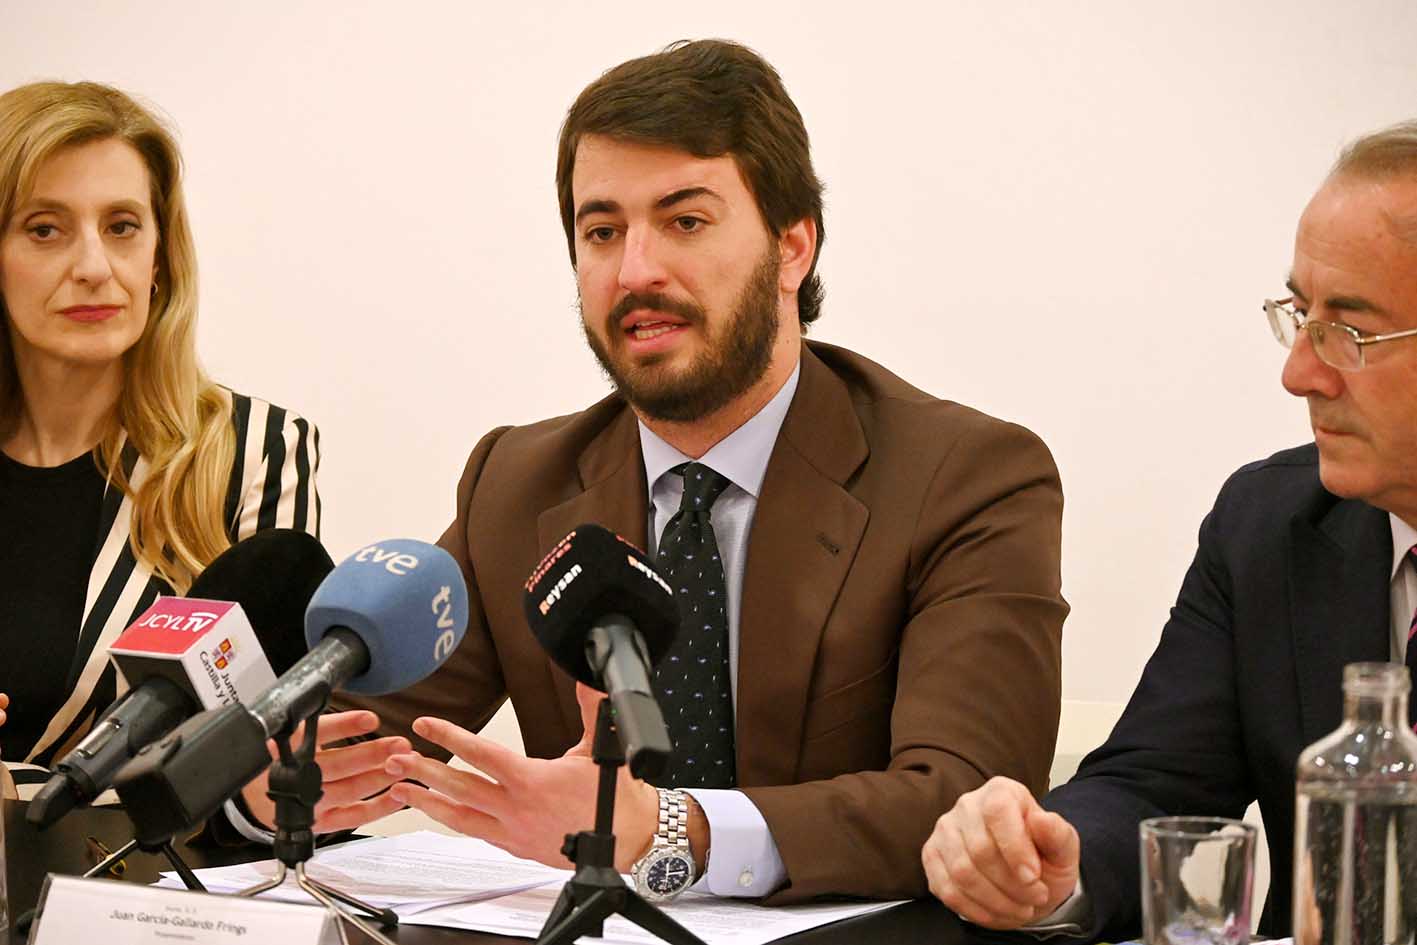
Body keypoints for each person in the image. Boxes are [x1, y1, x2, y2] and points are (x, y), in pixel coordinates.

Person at [338, 39, 1067, 903]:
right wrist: (256, 781)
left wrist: (667, 828)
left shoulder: (966, 476)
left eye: (685, 221)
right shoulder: (516, 481)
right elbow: (363, 735)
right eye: (601, 231)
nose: (635, 271)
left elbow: (963, 798)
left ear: (793, 247)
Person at [921, 119, 1417, 940]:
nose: (1299, 371)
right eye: (1300, 315)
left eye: (1349, 332)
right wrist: (1053, 858)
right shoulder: (1269, 525)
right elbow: (1152, 783)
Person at [0, 81, 408, 835]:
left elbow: (254, 769)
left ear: (160, 256)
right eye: (45, 229)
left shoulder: (253, 453)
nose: (94, 265)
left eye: (122, 226)